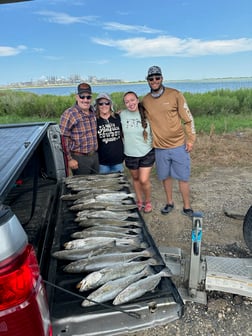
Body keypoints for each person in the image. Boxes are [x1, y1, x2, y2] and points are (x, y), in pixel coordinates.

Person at [142, 66, 196, 217]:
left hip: (179, 145)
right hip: (160, 148)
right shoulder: (145, 100)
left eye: (157, 78)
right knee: (165, 177)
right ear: (148, 80)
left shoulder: (175, 94)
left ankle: (187, 206)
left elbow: (188, 119)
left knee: (183, 178)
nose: (154, 81)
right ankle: (169, 203)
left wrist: (190, 140)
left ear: (162, 78)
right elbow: (137, 113)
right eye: (151, 79)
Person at [120, 91, 155, 213]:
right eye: (127, 102)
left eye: (132, 100)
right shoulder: (122, 115)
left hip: (147, 152)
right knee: (135, 178)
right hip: (130, 154)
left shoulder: (147, 114)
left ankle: (148, 201)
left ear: (137, 100)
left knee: (143, 180)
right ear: (124, 104)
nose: (130, 103)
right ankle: (139, 201)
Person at [59, 82, 99, 175]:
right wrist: (69, 159)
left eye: (88, 97)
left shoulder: (93, 111)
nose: (85, 100)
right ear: (77, 97)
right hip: (79, 158)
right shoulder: (69, 114)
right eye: (82, 97)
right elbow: (63, 139)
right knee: (83, 187)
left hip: (95, 156)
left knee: (97, 185)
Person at [95, 93, 124, 174]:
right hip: (102, 162)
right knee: (105, 185)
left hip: (118, 160)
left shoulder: (117, 117)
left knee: (119, 185)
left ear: (110, 104)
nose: (104, 105)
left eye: (106, 103)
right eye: (101, 103)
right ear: (97, 105)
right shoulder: (94, 120)